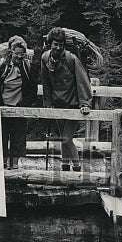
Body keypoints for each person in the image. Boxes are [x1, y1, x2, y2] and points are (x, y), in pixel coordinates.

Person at [40, 27, 92, 172]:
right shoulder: (45, 58)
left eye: (60, 44)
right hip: (58, 104)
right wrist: (48, 103)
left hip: (73, 104)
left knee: (67, 138)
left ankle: (76, 168)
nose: (58, 47)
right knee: (63, 137)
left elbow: (83, 81)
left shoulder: (71, 59)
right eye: (55, 44)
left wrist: (85, 103)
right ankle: (65, 168)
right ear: (50, 44)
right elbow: (46, 83)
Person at [0, 35, 39, 168]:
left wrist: (24, 105)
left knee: (18, 139)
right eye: (17, 54)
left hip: (19, 108)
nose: (20, 57)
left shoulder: (28, 67)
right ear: (11, 52)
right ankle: (2, 166)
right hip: (2, 107)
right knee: (2, 138)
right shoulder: (0, 66)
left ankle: (15, 167)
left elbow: (32, 89)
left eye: (22, 54)